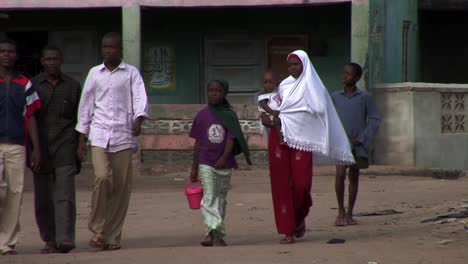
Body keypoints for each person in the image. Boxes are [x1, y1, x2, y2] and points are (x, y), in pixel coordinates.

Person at [260, 50, 354, 244]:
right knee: (281, 185)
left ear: (304, 65)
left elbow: (320, 109)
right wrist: (270, 116)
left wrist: (296, 111)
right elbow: (274, 105)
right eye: (290, 65)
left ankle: (300, 214)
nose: (293, 68)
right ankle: (288, 230)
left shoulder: (313, 86)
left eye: (296, 64)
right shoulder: (284, 85)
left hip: (303, 139)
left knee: (302, 185)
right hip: (280, 138)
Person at [75, 32, 149, 251]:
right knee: (102, 178)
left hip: (123, 135)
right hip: (98, 134)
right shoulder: (94, 74)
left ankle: (111, 237)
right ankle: (98, 228)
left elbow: (139, 98)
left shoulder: (131, 73)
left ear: (120, 50)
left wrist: (139, 119)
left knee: (121, 188)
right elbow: (86, 104)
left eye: (112, 47)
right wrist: (82, 138)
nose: (108, 51)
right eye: (105, 47)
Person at [31, 45, 81, 254]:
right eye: (48, 59)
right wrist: (33, 149)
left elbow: (81, 118)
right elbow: (29, 118)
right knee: (43, 198)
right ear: (42, 62)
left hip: (65, 146)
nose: (52, 63)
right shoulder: (32, 86)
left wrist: (81, 145)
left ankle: (65, 238)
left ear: (61, 61)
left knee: (65, 194)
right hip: (40, 148)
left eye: (55, 59)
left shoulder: (72, 86)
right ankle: (49, 239)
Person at [189, 79, 251, 247]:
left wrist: (224, 158)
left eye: (218, 90)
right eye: (211, 90)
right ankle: (212, 232)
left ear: (224, 93)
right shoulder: (202, 115)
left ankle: (217, 235)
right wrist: (194, 168)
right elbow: (198, 143)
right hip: (206, 162)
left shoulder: (229, 115)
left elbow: (231, 139)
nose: (214, 93)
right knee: (209, 196)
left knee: (220, 199)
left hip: (225, 163)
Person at [0, 38, 41, 255]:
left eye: (10, 51)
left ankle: (7, 243)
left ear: (15, 56)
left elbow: (32, 116)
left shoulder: (25, 83)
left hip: (17, 145)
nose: (6, 55)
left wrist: (36, 148)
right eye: (2, 51)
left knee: (15, 194)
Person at [331, 62, 381, 226]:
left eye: (348, 74)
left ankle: (350, 213)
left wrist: (363, 137)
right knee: (339, 175)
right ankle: (340, 212)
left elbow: (375, 119)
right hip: (341, 142)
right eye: (343, 73)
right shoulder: (335, 97)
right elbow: (329, 117)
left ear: (357, 77)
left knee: (354, 176)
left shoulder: (365, 98)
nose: (344, 76)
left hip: (357, 143)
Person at [257, 70, 285, 144]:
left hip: (277, 114)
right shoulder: (262, 94)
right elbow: (264, 106)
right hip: (269, 115)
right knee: (276, 123)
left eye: (271, 83)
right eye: (265, 83)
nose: (268, 85)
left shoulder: (278, 92)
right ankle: (281, 139)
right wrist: (273, 112)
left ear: (276, 83)